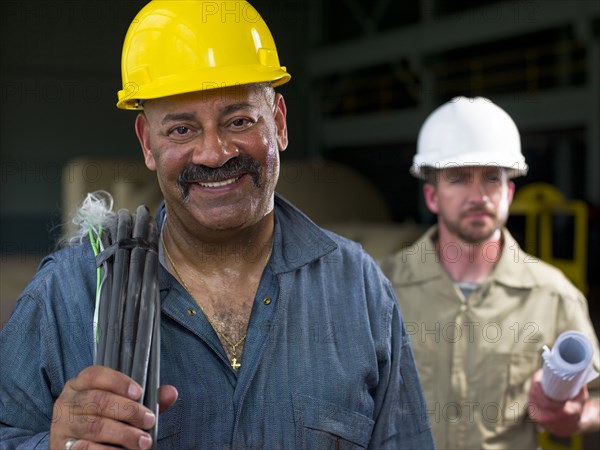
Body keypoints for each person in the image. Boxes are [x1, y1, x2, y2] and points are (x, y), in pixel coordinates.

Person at [0, 1, 434, 449]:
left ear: (279, 123)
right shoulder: (67, 294)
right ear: (148, 144)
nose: (214, 153)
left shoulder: (357, 287)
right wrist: (54, 445)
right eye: (182, 130)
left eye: (239, 120)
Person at [381, 96, 600, 449]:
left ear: (509, 192)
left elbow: (595, 399)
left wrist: (575, 415)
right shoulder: (379, 288)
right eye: (458, 179)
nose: (478, 195)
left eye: (492, 179)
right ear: (432, 196)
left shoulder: (554, 295)